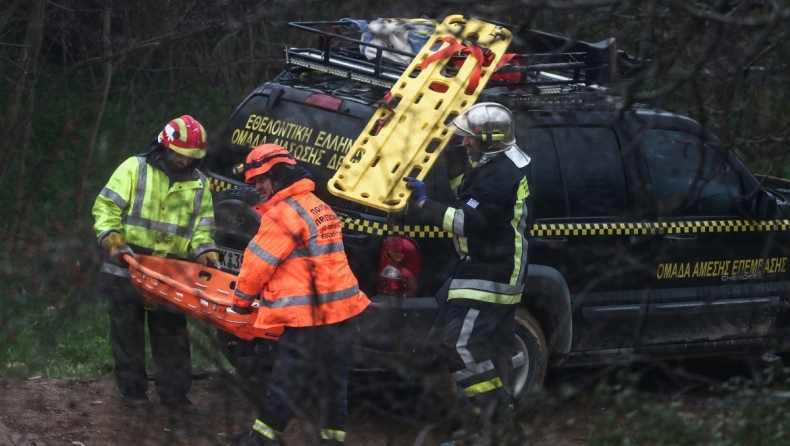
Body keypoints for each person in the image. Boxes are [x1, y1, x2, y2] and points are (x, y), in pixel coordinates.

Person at [404, 103, 531, 444]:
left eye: (469, 139)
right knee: (491, 352)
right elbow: (470, 196)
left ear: (488, 140)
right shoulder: (500, 162)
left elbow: (466, 220)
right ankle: (490, 433)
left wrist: (422, 205)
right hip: (489, 267)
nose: (465, 143)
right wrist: (453, 163)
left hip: (491, 271)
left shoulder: (501, 174)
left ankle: (500, 421)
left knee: (456, 345)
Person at [229, 144, 370, 446]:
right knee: (334, 386)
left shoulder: (283, 216)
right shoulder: (318, 206)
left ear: (278, 175)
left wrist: (240, 304)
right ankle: (331, 441)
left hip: (308, 320)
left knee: (286, 384)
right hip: (342, 314)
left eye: (260, 181)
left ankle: (260, 441)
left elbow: (256, 267)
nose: (257, 188)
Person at [92, 115, 220, 414]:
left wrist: (206, 254)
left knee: (173, 335)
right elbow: (106, 207)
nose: (184, 161)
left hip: (171, 275)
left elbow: (202, 229)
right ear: (164, 146)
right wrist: (112, 240)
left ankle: (175, 396)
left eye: (191, 157)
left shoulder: (200, 183)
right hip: (126, 266)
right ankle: (134, 394)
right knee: (127, 335)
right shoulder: (134, 169)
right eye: (180, 154)